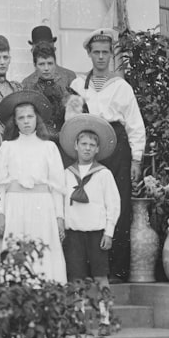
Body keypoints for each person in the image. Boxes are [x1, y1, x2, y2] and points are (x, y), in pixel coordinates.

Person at [69, 28, 146, 282]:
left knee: (117, 204)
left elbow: (135, 124)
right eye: (96, 52)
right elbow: (70, 119)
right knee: (87, 200)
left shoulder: (121, 86)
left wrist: (136, 159)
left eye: (106, 52)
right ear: (88, 54)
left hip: (116, 144)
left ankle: (117, 270)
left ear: (111, 55)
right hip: (87, 142)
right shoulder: (78, 86)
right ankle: (91, 269)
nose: (101, 57)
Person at [0, 90, 67, 283]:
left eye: (30, 117)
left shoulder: (49, 147)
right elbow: (0, 186)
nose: (26, 121)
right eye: (21, 118)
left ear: (37, 119)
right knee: (16, 249)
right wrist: (1, 214)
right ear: (15, 122)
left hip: (43, 206)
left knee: (43, 249)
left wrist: (59, 217)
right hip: (15, 205)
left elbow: (57, 187)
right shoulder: (7, 148)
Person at [59, 114, 120, 322]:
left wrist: (109, 232)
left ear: (97, 149)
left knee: (100, 277)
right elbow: (60, 202)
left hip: (96, 233)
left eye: (92, 145)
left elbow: (113, 205)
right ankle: (78, 318)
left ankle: (105, 318)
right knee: (76, 279)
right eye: (83, 144)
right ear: (75, 146)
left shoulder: (104, 174)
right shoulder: (67, 174)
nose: (87, 148)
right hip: (73, 232)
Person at [23, 43, 77, 144]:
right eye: (42, 64)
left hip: (62, 142)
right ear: (35, 65)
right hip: (36, 142)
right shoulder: (28, 91)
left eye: (50, 63)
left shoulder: (66, 91)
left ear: (55, 64)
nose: (46, 68)